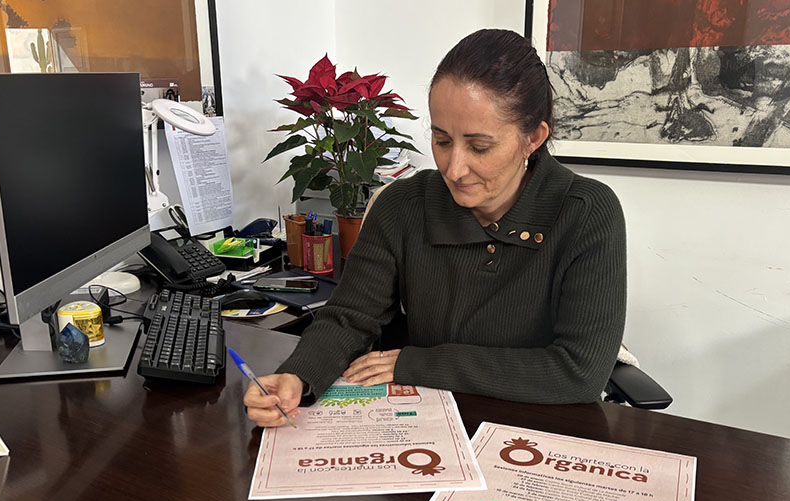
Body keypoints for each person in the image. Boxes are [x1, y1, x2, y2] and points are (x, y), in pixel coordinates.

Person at [245, 28, 626, 427]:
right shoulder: (403, 205)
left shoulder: (586, 213)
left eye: (479, 147)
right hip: (427, 425)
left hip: (537, 429)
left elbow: (579, 371)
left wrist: (422, 363)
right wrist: (297, 376)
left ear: (533, 138)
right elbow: (350, 317)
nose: (454, 169)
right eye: (442, 141)